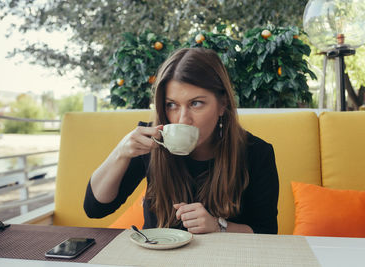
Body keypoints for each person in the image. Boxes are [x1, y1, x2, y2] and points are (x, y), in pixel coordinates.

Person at [84, 48, 279, 234]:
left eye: (196, 103)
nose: (182, 119)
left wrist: (219, 227)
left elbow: (267, 231)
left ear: (222, 104)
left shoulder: (256, 152)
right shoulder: (151, 142)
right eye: (172, 105)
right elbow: (95, 208)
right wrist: (120, 153)